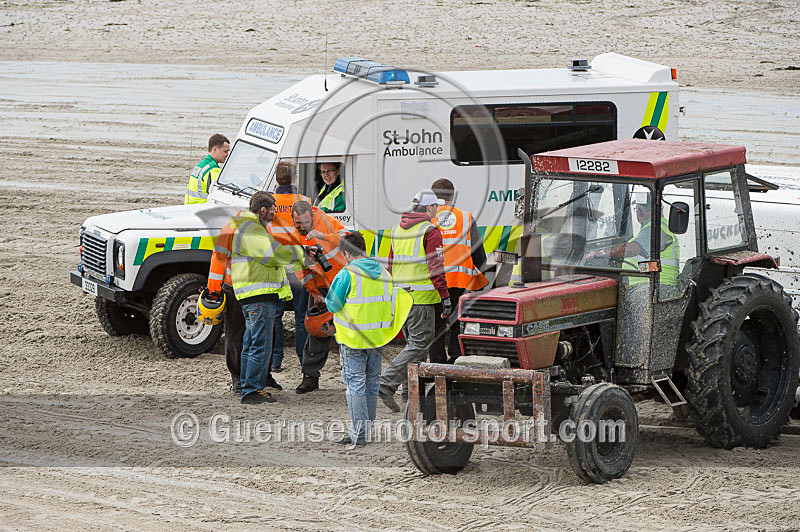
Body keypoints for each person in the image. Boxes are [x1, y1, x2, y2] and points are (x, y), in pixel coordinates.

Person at [326, 231, 413, 446]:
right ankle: (366, 429)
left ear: (347, 253)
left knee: (355, 385)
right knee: (372, 384)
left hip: (353, 339)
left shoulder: (347, 274)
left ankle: (359, 434)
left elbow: (333, 305)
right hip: (376, 338)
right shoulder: (383, 273)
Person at [229, 191, 310, 404]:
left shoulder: (252, 228)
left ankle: (249, 386)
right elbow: (273, 255)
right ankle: (252, 390)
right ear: (263, 210)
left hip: (254, 295)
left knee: (251, 343)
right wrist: (301, 252)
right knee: (259, 344)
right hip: (258, 295)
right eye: (273, 210)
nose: (275, 213)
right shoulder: (251, 229)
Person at [378, 189, 450, 413]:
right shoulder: (430, 231)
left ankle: (410, 394)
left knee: (414, 349)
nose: (437, 211)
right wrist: (445, 297)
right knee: (419, 346)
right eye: (435, 207)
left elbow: (390, 267)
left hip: (402, 298)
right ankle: (386, 383)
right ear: (429, 208)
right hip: (421, 299)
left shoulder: (397, 229)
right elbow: (435, 268)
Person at [269, 200, 348, 394]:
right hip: (321, 289)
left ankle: (354, 375)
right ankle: (310, 376)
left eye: (305, 223)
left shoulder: (325, 221)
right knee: (317, 331)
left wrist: (324, 236)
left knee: (351, 331)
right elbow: (300, 271)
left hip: (344, 285)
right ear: (293, 220)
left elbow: (347, 237)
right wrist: (314, 293)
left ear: (312, 217)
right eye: (298, 224)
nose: (302, 227)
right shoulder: (296, 236)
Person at [429, 178, 489, 364]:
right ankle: (455, 359)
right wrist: (486, 277)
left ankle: (437, 363)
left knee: (436, 325)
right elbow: (478, 254)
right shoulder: (466, 218)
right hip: (460, 281)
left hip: (434, 282)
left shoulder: (427, 218)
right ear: (453, 196)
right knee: (457, 323)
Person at [268, 161, 312, 372]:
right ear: (295, 179)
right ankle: (304, 361)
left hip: (277, 267)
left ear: (276, 179)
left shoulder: (269, 203)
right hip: (299, 266)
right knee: (301, 315)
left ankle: (276, 360)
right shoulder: (305, 201)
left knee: (276, 315)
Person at [586, 194, 679, 292]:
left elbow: (633, 249)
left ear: (642, 211)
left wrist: (604, 253)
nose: (637, 213)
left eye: (637, 209)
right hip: (651, 284)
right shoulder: (655, 227)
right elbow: (647, 265)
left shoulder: (655, 228)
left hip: (655, 287)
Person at [185, 134, 230, 204]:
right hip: (200, 209)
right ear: (214, 149)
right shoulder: (213, 170)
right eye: (225, 151)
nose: (227, 154)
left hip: (189, 207)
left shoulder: (201, 165)